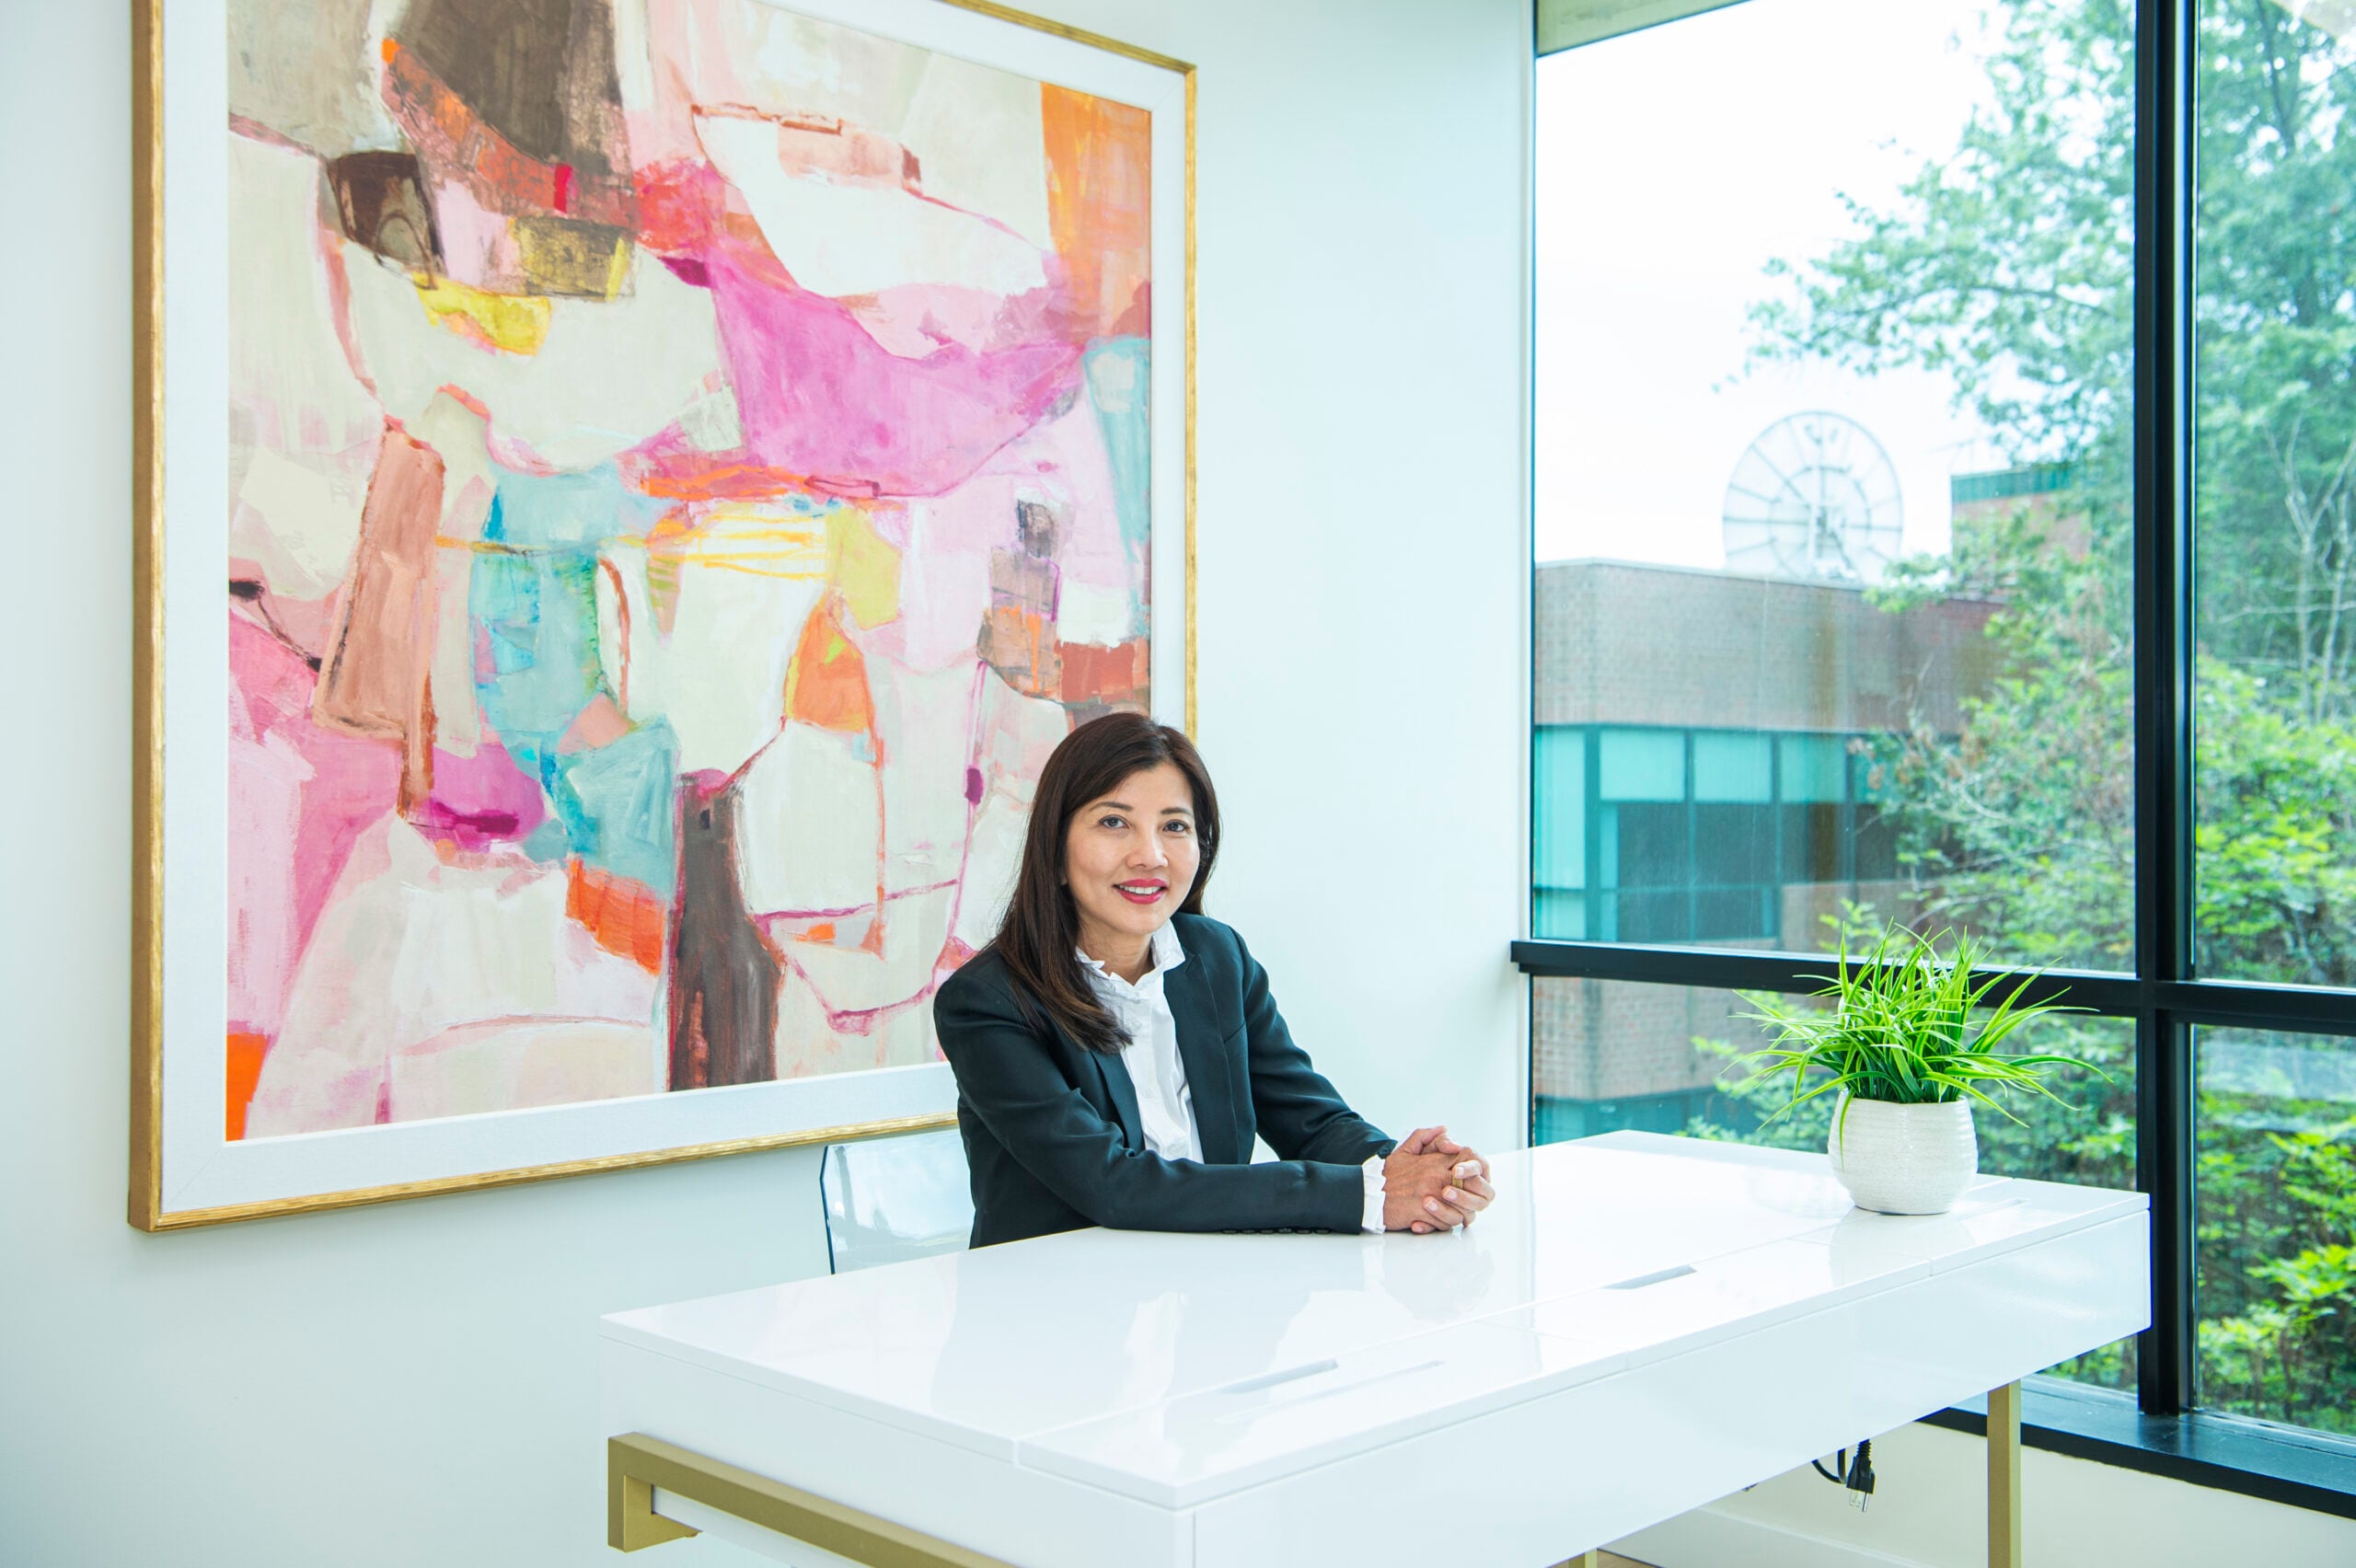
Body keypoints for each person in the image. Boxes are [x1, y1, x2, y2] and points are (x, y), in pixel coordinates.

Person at [933, 711, 1496, 1248]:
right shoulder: (986, 1002)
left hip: (1214, 1288)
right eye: (1114, 822)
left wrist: (1415, 1176)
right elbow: (1112, 1185)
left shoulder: (1217, 957)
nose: (1150, 855)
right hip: (1055, 1302)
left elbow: (1310, 1120)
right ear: (1055, 851)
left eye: (1174, 826)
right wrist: (1368, 1196)